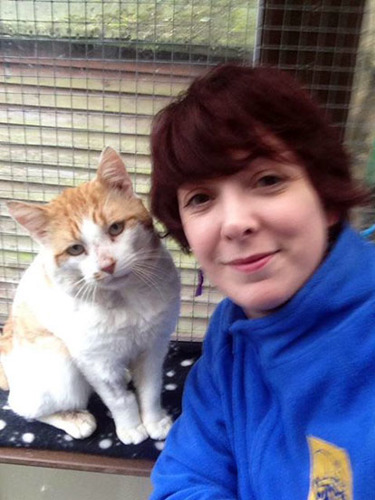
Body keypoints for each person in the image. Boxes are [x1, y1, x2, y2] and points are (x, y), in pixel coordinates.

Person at [148, 63, 375, 499]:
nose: (234, 223)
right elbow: (188, 477)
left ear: (326, 198)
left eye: (267, 180)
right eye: (201, 198)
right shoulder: (233, 333)